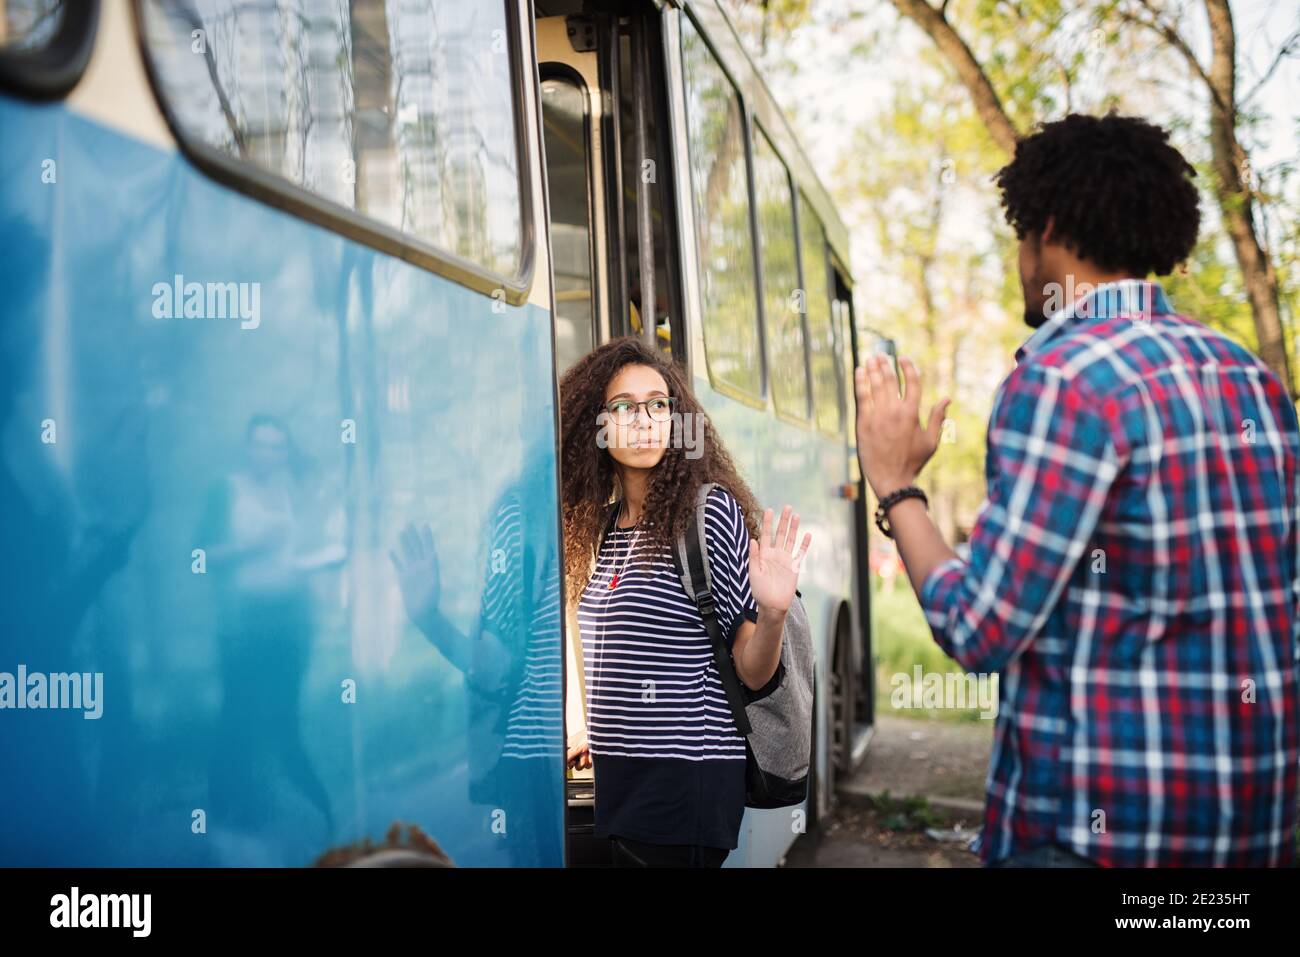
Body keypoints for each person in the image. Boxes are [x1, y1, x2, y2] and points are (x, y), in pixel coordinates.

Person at [854, 112, 1300, 867]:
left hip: (1102, 835)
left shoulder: (1061, 381)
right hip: (1257, 829)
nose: (1020, 262)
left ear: (1049, 227)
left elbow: (978, 626)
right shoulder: (1250, 378)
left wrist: (898, 487)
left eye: (1020, 235)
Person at [559, 336, 811, 867]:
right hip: (620, 780)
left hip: (686, 780)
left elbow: (754, 670)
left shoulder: (706, 512)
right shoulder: (602, 532)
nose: (645, 419)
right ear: (596, 426)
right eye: (624, 407)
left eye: (658, 404)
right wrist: (591, 725)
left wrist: (773, 613)